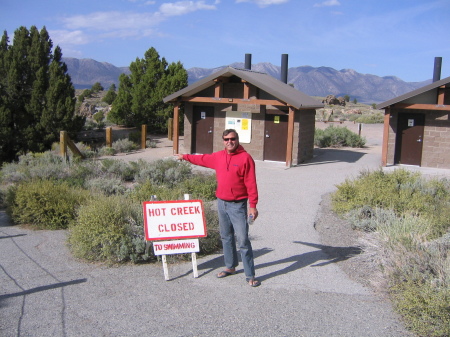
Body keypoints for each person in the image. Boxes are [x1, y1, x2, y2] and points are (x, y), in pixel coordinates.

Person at [175, 129, 260, 287]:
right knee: (226, 237)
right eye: (226, 139)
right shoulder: (218, 157)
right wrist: (185, 157)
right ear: (223, 141)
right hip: (222, 202)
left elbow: (251, 183)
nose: (229, 141)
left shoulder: (245, 158)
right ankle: (230, 267)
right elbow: (202, 159)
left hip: (238, 205)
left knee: (242, 240)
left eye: (232, 138)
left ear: (237, 139)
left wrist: (253, 206)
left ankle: (250, 275)